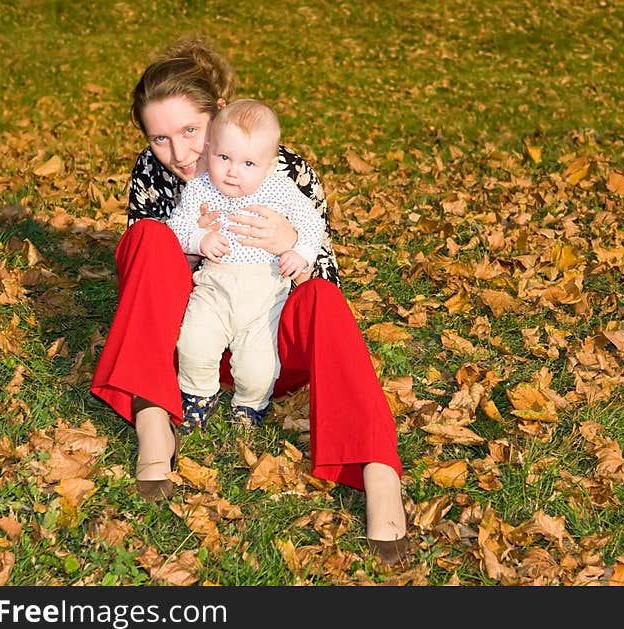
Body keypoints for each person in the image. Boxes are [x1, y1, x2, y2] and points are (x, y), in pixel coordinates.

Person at [89, 35, 408, 565]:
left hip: (267, 342)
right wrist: (194, 247)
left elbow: (319, 278)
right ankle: (150, 415)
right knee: (149, 238)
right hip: (188, 338)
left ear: (219, 114)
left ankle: (376, 468)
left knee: (324, 301)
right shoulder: (152, 172)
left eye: (191, 131)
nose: (180, 153)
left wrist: (292, 245)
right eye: (160, 138)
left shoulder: (284, 172)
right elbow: (150, 282)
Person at [166, 98, 324, 433]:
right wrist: (199, 239)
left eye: (248, 163)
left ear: (269, 166)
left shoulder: (281, 189)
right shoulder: (199, 189)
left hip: (264, 297)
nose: (233, 170)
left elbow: (312, 223)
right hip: (214, 289)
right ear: (209, 151)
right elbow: (175, 228)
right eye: (224, 157)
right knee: (194, 341)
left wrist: (301, 251)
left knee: (260, 365)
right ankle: (197, 395)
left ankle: (251, 405)